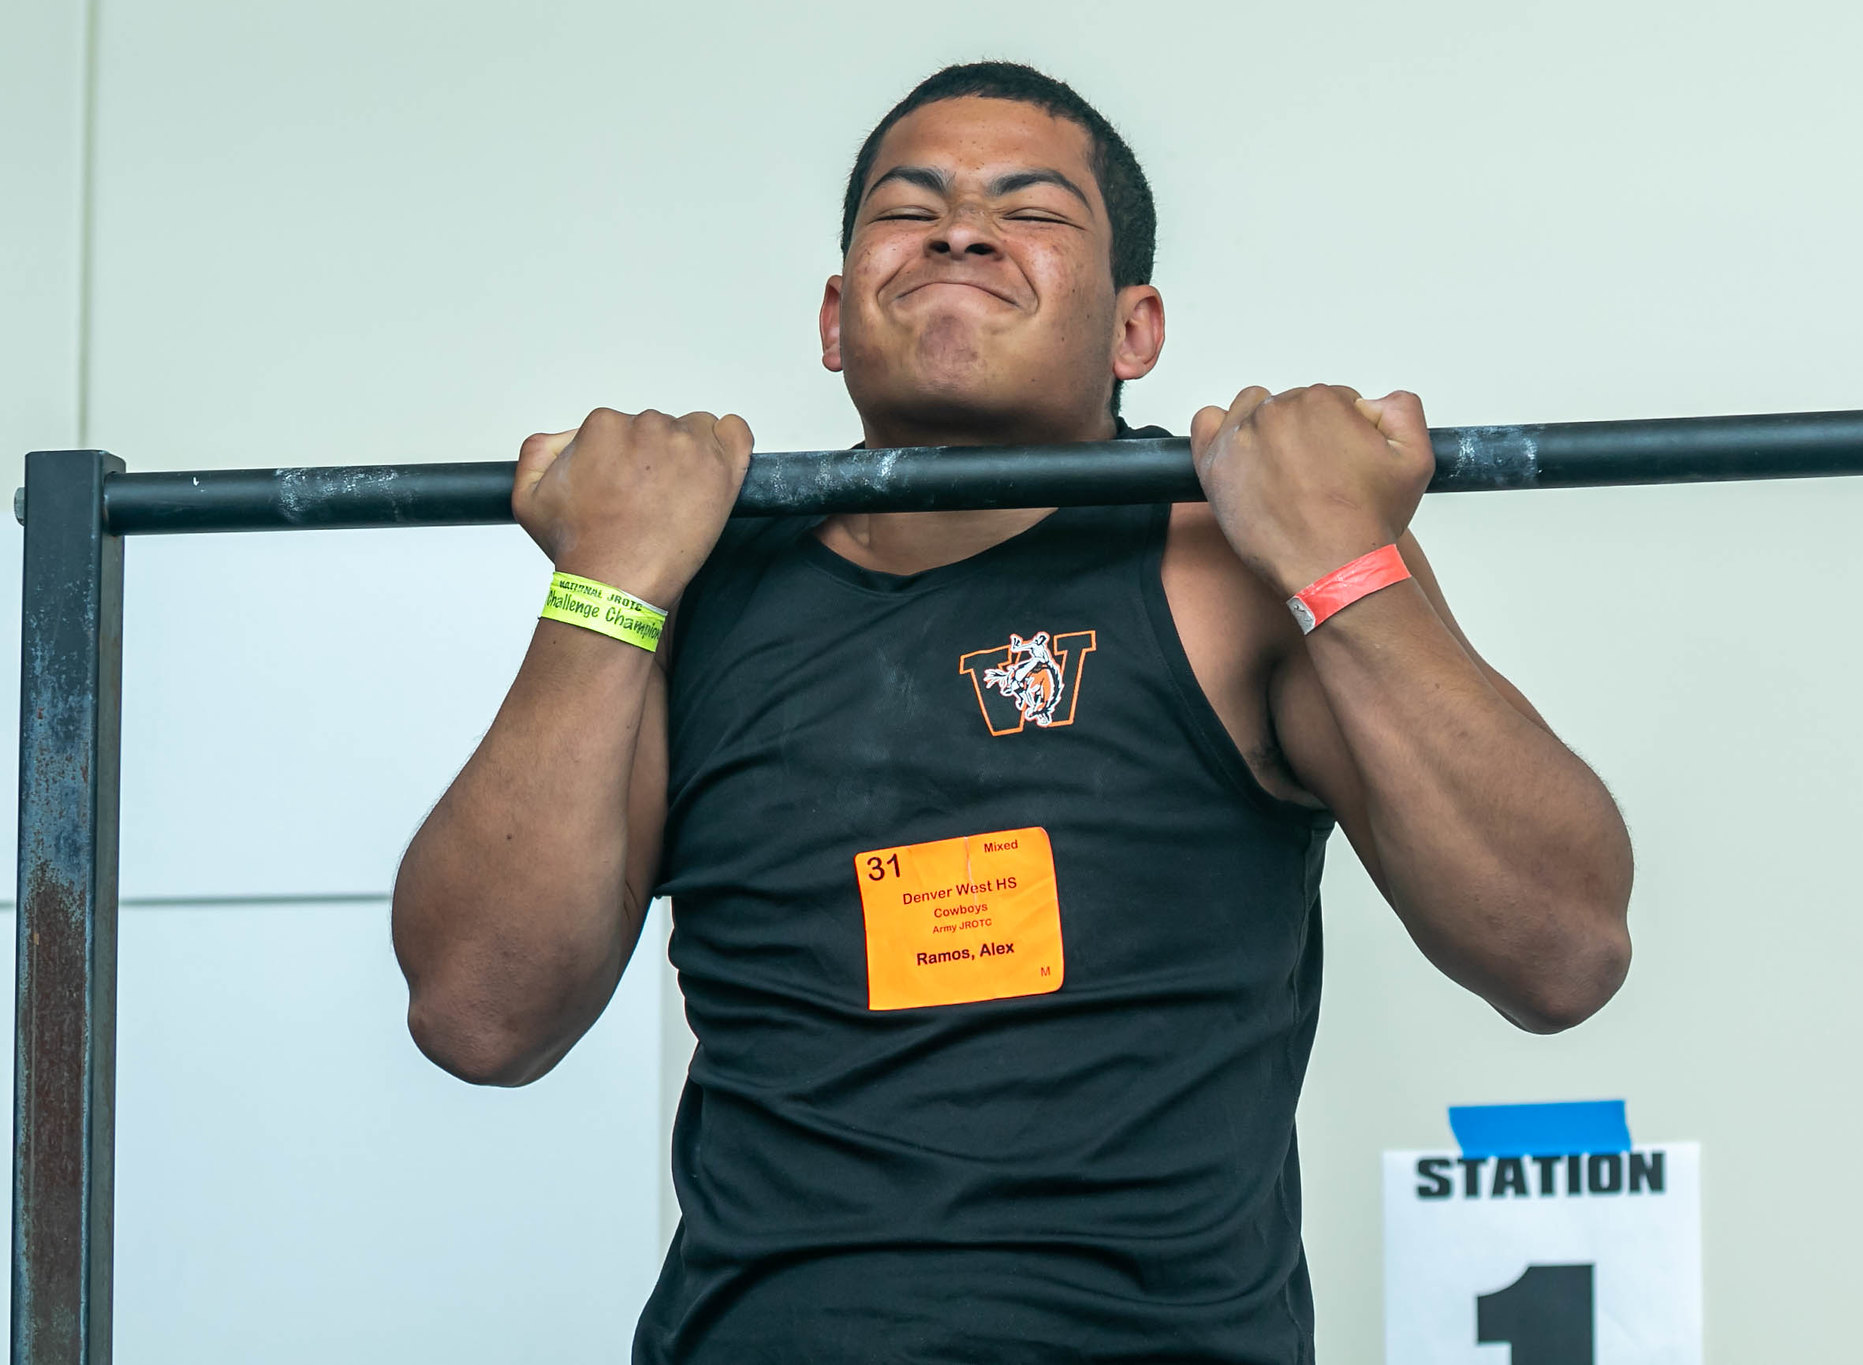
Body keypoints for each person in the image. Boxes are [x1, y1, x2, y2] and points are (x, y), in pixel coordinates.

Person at [392, 61, 1634, 1364]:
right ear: (833, 315)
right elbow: (480, 1013)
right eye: (907, 207)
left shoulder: (1239, 566)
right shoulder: (685, 586)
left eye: (1032, 211)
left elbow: (1561, 949)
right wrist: (602, 584)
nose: (961, 229)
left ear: (1133, 331)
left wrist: (1347, 561)